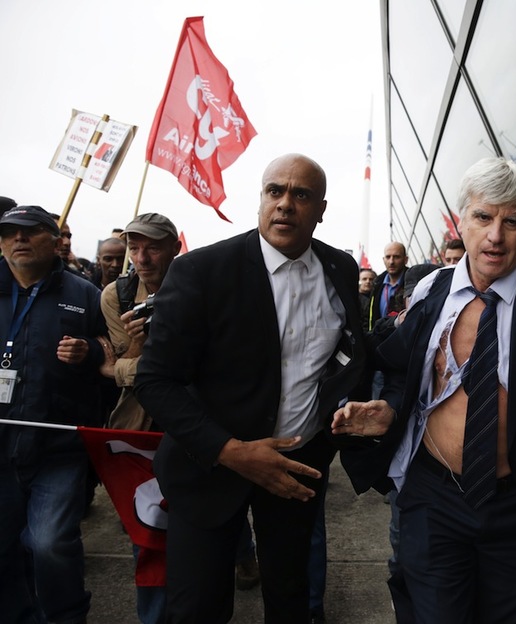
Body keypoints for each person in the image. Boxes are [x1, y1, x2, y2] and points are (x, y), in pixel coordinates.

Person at [333, 157, 516, 623]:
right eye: (483, 217)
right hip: (432, 495)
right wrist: (389, 410)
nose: (496, 236)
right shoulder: (428, 292)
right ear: (461, 219)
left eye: (512, 222)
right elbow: (402, 367)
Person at [134, 153, 367, 623]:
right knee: (197, 608)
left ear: (321, 209)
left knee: (290, 599)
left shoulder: (340, 270)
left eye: (300, 194)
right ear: (260, 200)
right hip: (207, 469)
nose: (285, 204)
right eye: (274, 191)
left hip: (295, 467)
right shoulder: (201, 271)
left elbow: (351, 353)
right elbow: (155, 380)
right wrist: (230, 450)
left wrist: (339, 417)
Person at [0, 205, 108, 624]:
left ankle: (66, 616)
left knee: (50, 543)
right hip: (1, 445)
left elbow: (109, 350)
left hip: (58, 446)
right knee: (3, 545)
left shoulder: (84, 293)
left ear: (55, 238)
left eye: (29, 232)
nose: (18, 240)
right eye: (9, 233)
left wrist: (90, 351)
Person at [99, 212, 181, 623]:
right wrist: (136, 345)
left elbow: (196, 366)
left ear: (174, 247)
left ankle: (242, 552)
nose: (142, 257)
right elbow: (124, 371)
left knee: (216, 510)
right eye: (134, 247)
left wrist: (125, 366)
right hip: (139, 422)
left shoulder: (193, 285)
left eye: (151, 246)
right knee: (148, 524)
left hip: (190, 417)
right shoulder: (117, 294)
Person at [364, 241, 408, 331]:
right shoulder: (377, 284)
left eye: (396, 257)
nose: (391, 262)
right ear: (383, 259)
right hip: (378, 340)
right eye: (388, 257)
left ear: (405, 259)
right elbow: (368, 316)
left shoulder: (412, 283)